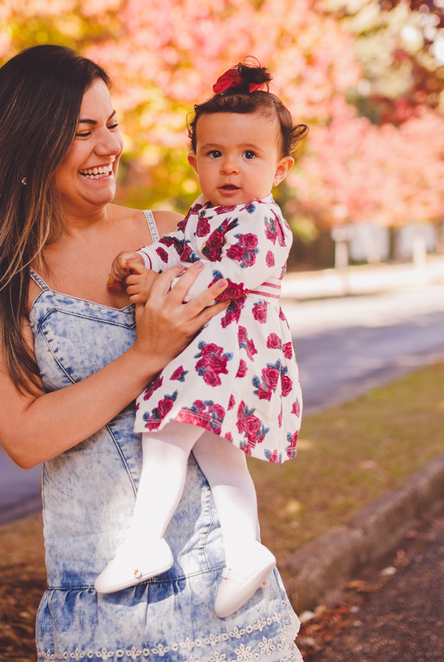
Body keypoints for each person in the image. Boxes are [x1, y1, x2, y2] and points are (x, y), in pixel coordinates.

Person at [0, 45, 303, 661]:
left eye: (111, 124)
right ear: (30, 145)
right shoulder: (2, 282)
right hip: (104, 605)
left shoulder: (170, 232)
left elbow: (242, 353)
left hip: (221, 589)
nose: (110, 147)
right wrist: (144, 355)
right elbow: (24, 438)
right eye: (82, 132)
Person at [95, 62, 305, 620]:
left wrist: (156, 285)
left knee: (166, 434)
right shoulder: (204, 215)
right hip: (214, 349)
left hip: (232, 350)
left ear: (280, 168)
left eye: (249, 155)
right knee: (219, 454)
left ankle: (145, 543)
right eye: (214, 154)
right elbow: (178, 248)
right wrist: (141, 260)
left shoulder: (263, 221)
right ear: (195, 162)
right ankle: (246, 550)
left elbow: (217, 278)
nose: (230, 167)